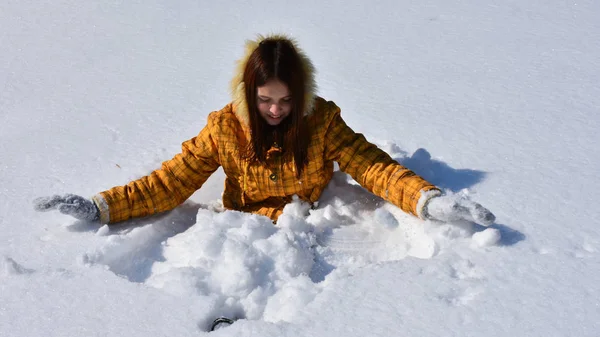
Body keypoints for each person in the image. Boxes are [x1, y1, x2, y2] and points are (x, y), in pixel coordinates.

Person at [34, 34, 495, 228]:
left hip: (314, 229)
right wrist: (101, 207)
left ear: (301, 95)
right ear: (248, 94)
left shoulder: (323, 123)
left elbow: (374, 167)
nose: (275, 110)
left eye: (286, 100)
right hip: (239, 233)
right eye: (264, 100)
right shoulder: (223, 129)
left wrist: (428, 200)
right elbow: (172, 181)